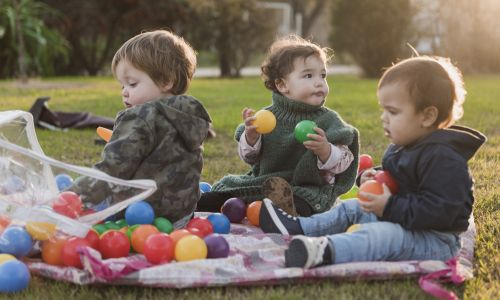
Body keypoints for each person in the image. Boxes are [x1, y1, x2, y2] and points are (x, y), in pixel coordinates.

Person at [259, 56, 486, 268]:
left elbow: (443, 211)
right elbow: (402, 179)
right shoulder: (407, 145)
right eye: (383, 110)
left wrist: (389, 206)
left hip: (434, 240)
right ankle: (299, 227)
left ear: (427, 116)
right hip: (402, 220)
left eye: (393, 112)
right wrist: (374, 177)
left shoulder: (444, 160)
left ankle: (323, 251)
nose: (383, 118)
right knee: (351, 208)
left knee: (381, 237)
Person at [197, 35, 359, 217]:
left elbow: (345, 161)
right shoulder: (267, 117)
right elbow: (250, 158)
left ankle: (276, 213)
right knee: (219, 197)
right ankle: (196, 203)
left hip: (304, 189)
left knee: (303, 206)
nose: (319, 82)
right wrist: (251, 138)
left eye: (323, 75)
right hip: (261, 182)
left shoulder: (329, 121)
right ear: (282, 85)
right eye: (308, 75)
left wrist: (326, 150)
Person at [71, 30, 212, 227]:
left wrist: (73, 196)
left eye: (132, 83)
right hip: (182, 216)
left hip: (140, 216)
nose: (124, 92)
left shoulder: (140, 117)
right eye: (122, 85)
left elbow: (113, 169)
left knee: (94, 204)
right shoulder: (190, 116)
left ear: (166, 81)